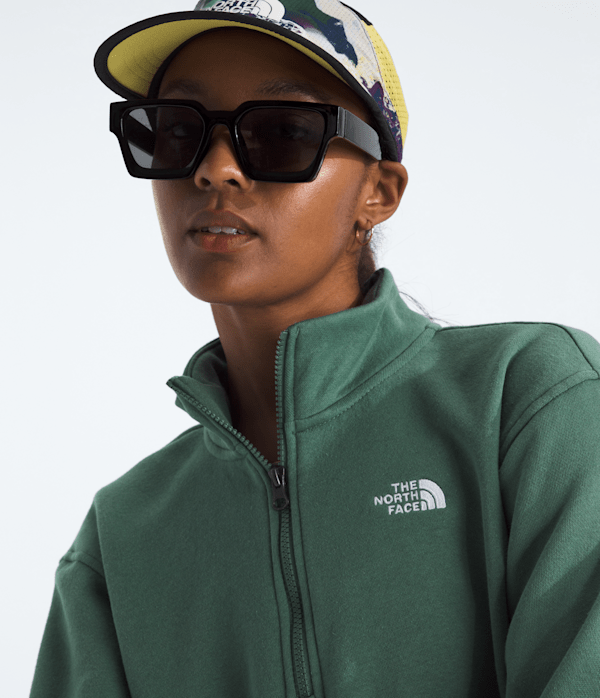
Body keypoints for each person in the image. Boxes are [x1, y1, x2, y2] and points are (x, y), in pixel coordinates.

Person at [30, 2, 600, 697]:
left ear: (378, 192)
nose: (215, 169)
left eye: (281, 133)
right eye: (177, 131)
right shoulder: (121, 539)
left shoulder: (531, 402)